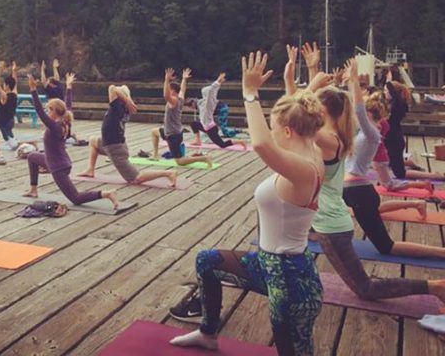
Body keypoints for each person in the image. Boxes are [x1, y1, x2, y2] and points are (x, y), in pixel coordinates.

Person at [170, 51, 324, 355]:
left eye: (275, 127)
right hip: (267, 263)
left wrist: (250, 93)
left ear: (288, 132)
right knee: (207, 261)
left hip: (292, 280)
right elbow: (296, 109)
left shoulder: (306, 168)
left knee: (290, 349)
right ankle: (207, 332)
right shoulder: (305, 149)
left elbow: (261, 143)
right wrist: (305, 74)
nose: (271, 132)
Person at [300, 43, 445, 303]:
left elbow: (310, 115)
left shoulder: (365, 133)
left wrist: (351, 82)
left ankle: (435, 282)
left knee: (380, 258)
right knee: (367, 218)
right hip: (351, 196)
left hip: (354, 196)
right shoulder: (347, 133)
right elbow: (327, 111)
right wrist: (317, 74)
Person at [342, 61, 445, 259]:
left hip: (357, 190)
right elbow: (351, 109)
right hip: (350, 190)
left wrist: (354, 81)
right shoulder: (358, 131)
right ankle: (415, 205)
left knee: (386, 246)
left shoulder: (373, 134)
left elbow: (358, 110)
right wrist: (348, 82)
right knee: (375, 209)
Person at [23, 74, 118, 208]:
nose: (47, 112)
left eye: (48, 110)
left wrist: (33, 90)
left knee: (76, 198)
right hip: (55, 161)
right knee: (32, 157)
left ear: (54, 112)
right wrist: (68, 87)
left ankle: (106, 193)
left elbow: (39, 112)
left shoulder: (55, 126)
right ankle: (33, 190)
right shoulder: (65, 121)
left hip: (58, 167)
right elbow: (68, 105)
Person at [80, 84, 178, 187]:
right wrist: (128, 98)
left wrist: (127, 99)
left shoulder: (117, 107)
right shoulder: (124, 108)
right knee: (93, 141)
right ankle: (90, 170)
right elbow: (124, 87)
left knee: (135, 179)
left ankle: (169, 173)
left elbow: (111, 88)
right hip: (110, 143)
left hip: (115, 149)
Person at [149, 68, 211, 167]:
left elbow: (165, 95)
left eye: (169, 88)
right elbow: (182, 89)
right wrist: (184, 79)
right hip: (169, 131)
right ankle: (155, 155)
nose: (168, 89)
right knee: (154, 132)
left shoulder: (173, 101)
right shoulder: (180, 98)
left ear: (173, 91)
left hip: (173, 135)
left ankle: (203, 158)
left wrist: (166, 80)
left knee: (179, 161)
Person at [188, 72, 246, 150]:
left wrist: (218, 81)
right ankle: (197, 140)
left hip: (211, 129)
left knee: (222, 145)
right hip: (206, 127)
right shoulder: (200, 104)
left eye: (190, 106)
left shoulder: (207, 104)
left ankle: (240, 142)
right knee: (193, 124)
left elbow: (211, 92)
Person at [0, 61, 18, 148]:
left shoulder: (4, 96)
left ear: (7, 86)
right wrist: (14, 71)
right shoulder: (15, 93)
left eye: (4, 84)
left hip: (3, 123)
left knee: (13, 145)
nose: (3, 85)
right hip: (10, 121)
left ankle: (24, 144)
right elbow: (15, 82)